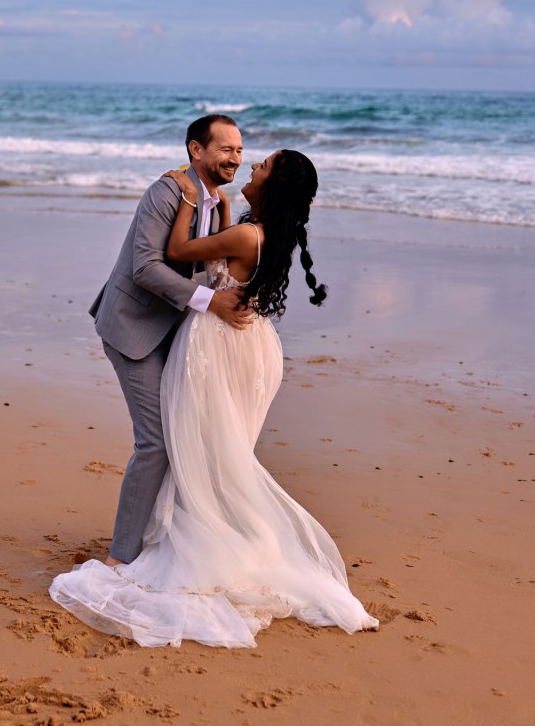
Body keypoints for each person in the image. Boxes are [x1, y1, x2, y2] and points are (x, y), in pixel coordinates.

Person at [50, 148, 378, 646]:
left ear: (274, 186)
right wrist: (220, 206)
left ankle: (192, 541)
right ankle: (231, 537)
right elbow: (218, 251)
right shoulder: (260, 231)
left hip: (219, 345)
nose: (250, 167)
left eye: (261, 166)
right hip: (250, 345)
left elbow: (181, 252)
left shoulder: (248, 233)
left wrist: (186, 196)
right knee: (218, 451)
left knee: (200, 447)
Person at [86, 114, 251, 568]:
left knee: (184, 437)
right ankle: (122, 556)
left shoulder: (220, 204)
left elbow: (206, 261)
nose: (235, 158)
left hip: (177, 331)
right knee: (156, 441)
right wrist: (210, 303)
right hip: (133, 326)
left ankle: (162, 540)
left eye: (239, 150)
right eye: (225, 148)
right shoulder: (165, 192)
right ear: (197, 150)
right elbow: (146, 267)